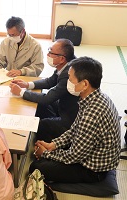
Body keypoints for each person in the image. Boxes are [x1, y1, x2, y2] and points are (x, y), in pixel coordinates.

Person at [30, 56, 121, 184]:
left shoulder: (91, 114)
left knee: (35, 167)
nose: (68, 81)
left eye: (70, 78)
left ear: (84, 84)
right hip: (89, 153)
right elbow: (74, 129)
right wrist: (53, 145)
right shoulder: (95, 97)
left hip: (94, 170)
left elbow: (74, 156)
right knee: (45, 154)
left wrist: (46, 153)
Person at [9, 39, 79, 142]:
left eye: (51, 52)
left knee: (42, 124)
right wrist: (27, 84)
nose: (48, 54)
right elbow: (50, 81)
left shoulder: (68, 74)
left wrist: (21, 92)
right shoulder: (66, 65)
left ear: (61, 59)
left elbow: (47, 98)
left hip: (70, 118)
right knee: (39, 104)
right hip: (64, 106)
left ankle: (42, 149)